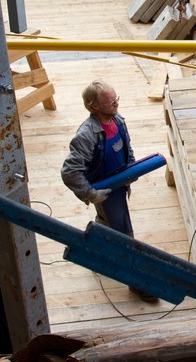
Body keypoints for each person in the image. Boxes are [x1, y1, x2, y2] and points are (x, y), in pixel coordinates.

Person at [61, 80, 158, 303]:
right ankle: (138, 283)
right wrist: (91, 194)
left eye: (117, 99)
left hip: (120, 184)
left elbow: (127, 146)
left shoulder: (118, 120)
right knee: (125, 235)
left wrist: (132, 166)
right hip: (106, 191)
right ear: (94, 106)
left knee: (107, 223)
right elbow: (69, 173)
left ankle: (92, 249)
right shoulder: (86, 135)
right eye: (110, 101)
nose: (116, 104)